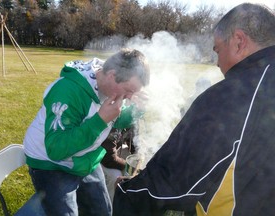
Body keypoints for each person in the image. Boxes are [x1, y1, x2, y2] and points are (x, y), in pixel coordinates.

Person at [113, 3, 275, 216]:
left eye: (218, 49)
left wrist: (129, 191)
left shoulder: (230, 96)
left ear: (238, 41)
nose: (217, 62)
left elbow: (175, 181)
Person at [23, 48, 150, 216]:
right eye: (128, 90)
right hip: (50, 163)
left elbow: (116, 118)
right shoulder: (68, 90)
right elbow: (56, 149)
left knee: (102, 212)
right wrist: (100, 121)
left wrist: (137, 110)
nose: (128, 97)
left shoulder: (109, 88)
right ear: (112, 75)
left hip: (83, 158)